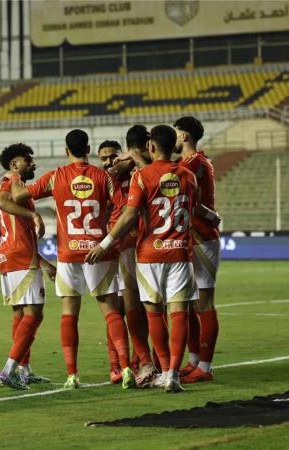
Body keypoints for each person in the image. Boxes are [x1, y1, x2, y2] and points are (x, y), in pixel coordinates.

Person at [9, 129, 133, 390]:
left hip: (68, 255)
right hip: (98, 251)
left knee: (69, 315)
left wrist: (15, 174)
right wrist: (106, 238)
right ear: (88, 149)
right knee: (111, 313)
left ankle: (72, 375)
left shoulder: (56, 177)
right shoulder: (104, 177)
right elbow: (123, 210)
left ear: (67, 151)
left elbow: (19, 196)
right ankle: (125, 368)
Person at [86, 124, 198, 393]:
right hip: (180, 251)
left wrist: (105, 242)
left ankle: (151, 365)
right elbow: (194, 208)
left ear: (150, 146)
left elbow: (130, 214)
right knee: (179, 313)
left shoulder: (141, 175)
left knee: (152, 312)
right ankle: (170, 371)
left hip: (146, 251)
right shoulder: (188, 175)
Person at [0, 143, 56, 390]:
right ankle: (8, 370)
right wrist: (34, 215)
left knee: (20, 316)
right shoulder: (12, 179)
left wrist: (44, 263)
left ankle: (24, 370)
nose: (32, 163)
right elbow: (1, 203)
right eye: (26, 160)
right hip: (20, 256)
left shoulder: (10, 183)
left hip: (11, 256)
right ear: (14, 164)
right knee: (34, 314)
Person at [174, 116, 222, 384]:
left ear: (184, 136)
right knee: (191, 303)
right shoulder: (193, 162)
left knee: (204, 301)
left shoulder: (193, 163)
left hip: (203, 237)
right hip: (193, 237)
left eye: (176, 133)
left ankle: (205, 365)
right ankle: (194, 362)